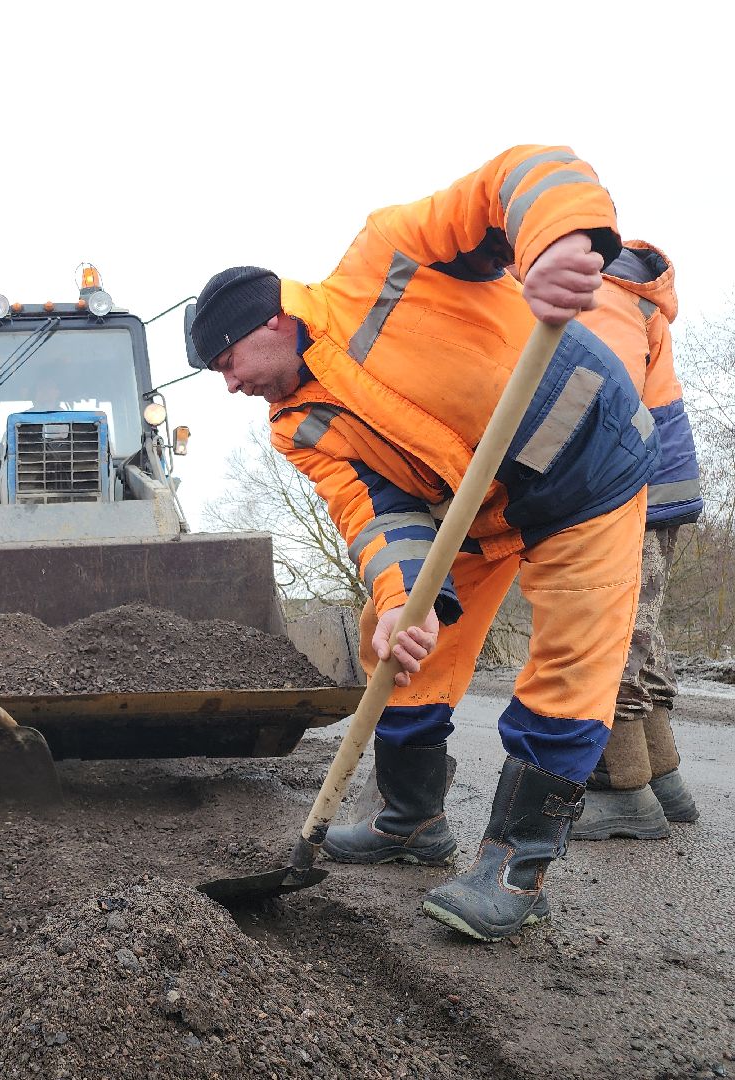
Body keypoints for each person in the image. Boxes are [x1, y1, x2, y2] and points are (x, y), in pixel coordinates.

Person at [188, 146, 657, 942]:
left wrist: (559, 242)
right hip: (477, 517)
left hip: (589, 471)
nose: (230, 385)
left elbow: (523, 171)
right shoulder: (294, 426)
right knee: (402, 651)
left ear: (269, 320)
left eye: (227, 363)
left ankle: (516, 868)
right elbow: (374, 515)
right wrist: (403, 599)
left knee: (570, 668)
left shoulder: (386, 256)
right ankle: (409, 818)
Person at [569, 242, 703, 839]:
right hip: (659, 485)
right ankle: (664, 782)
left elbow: (594, 396)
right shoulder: (626, 293)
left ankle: (624, 793)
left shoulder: (600, 296)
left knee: (611, 630)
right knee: (640, 629)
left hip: (630, 485)